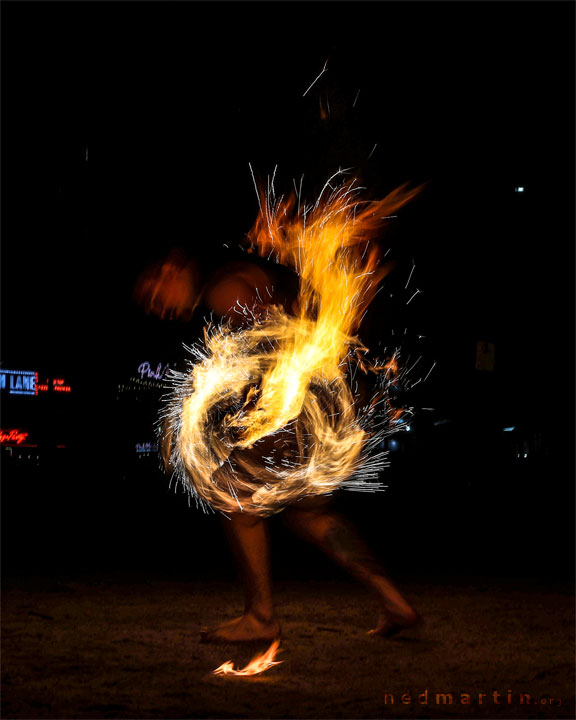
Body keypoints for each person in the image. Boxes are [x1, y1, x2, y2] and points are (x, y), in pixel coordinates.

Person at [195, 265, 421, 644]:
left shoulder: (221, 287)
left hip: (303, 404)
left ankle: (261, 617)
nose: (154, 303)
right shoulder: (247, 276)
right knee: (309, 515)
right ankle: (395, 603)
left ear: (172, 270)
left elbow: (276, 342)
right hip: (335, 400)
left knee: (237, 498)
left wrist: (258, 406)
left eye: (153, 289)